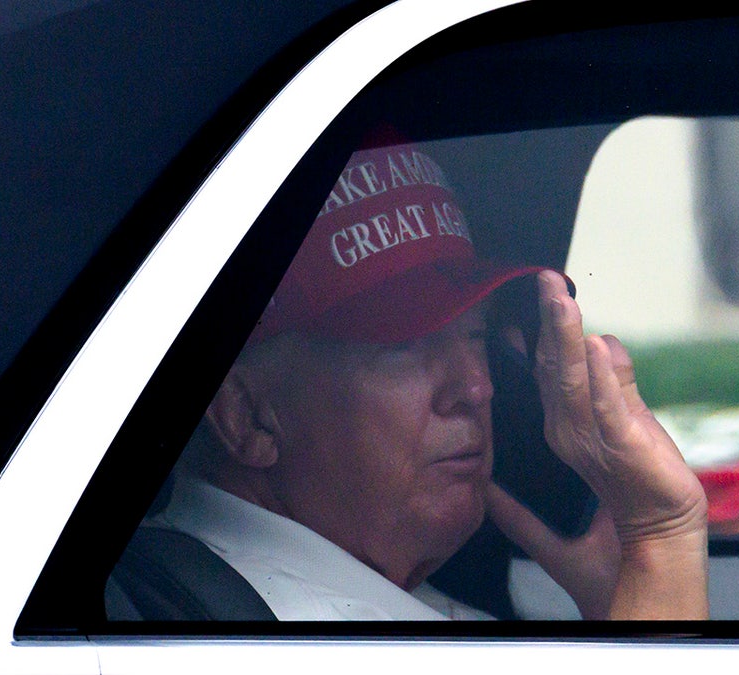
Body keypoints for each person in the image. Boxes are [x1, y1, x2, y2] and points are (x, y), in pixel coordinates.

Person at [149, 143, 709, 620]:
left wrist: (621, 598)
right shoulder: (293, 633)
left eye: (475, 337)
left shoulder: (279, 592)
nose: (476, 388)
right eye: (402, 345)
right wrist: (662, 540)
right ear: (246, 416)